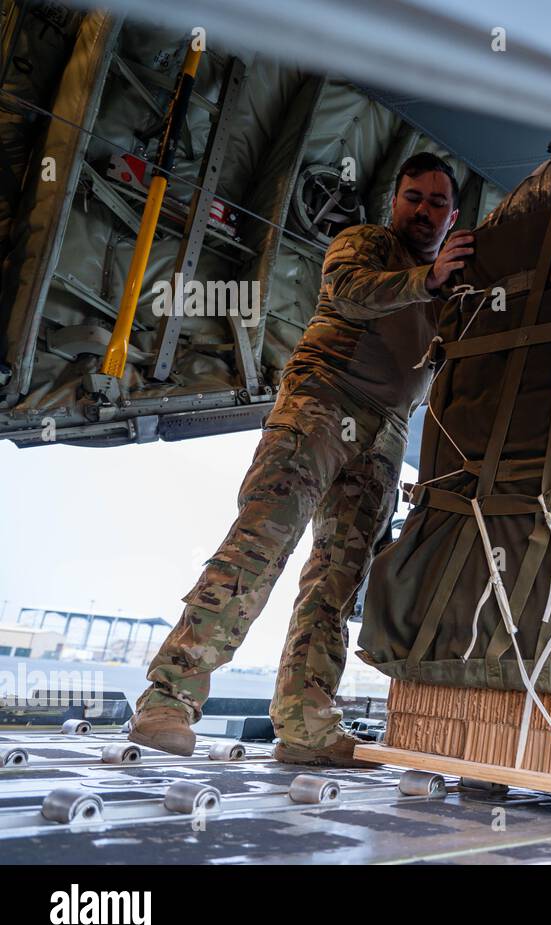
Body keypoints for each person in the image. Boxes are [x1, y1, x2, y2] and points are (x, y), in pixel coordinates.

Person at [128, 152, 474, 767]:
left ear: (453, 215)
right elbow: (351, 292)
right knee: (262, 541)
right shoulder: (363, 244)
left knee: (337, 581)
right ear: (395, 202)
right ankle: (170, 697)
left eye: (437, 202)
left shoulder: (451, 287)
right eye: (414, 197)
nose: (424, 210)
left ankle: (307, 726)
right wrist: (427, 280)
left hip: (387, 432)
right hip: (322, 400)